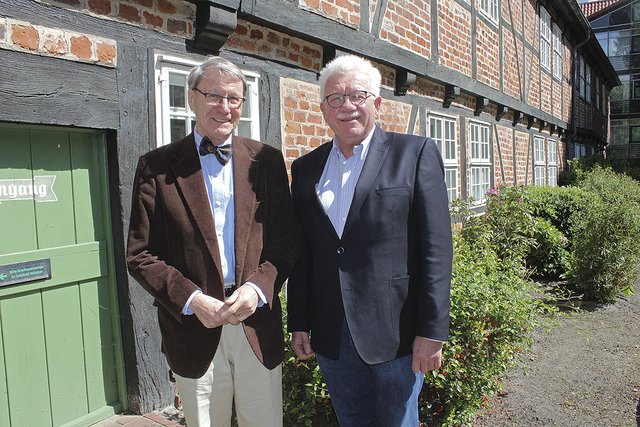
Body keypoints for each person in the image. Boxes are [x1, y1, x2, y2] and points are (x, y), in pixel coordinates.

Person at [126, 56, 298, 427]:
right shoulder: (156, 166)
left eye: (234, 99)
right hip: (193, 329)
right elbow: (140, 255)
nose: (225, 107)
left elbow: (286, 240)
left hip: (256, 323)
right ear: (192, 99)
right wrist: (192, 300)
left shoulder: (266, 161)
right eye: (214, 96)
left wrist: (257, 289)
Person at [287, 54, 453, 426]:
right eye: (335, 98)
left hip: (397, 332)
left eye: (358, 95)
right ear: (323, 109)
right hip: (332, 334)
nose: (347, 106)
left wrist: (431, 331)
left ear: (376, 103)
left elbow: (437, 251)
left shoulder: (415, 153)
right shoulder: (305, 169)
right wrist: (299, 321)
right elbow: (304, 255)